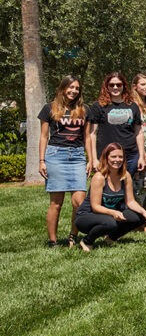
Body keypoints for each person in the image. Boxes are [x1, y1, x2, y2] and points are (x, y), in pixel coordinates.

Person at [38, 75, 88, 247]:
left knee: (79, 202)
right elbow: (44, 136)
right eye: (71, 87)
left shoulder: (83, 109)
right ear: (63, 88)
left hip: (78, 156)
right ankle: (52, 241)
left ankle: (73, 236)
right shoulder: (49, 108)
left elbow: (87, 137)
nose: (74, 91)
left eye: (77, 88)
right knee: (56, 203)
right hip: (56, 155)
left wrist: (89, 160)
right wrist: (41, 161)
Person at [74, 143, 146, 251]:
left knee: (139, 217)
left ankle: (111, 238)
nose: (117, 160)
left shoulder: (126, 176)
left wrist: (144, 212)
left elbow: (130, 202)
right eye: (113, 156)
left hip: (110, 216)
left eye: (120, 157)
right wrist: (113, 213)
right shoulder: (99, 177)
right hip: (87, 216)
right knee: (111, 223)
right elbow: (95, 206)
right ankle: (87, 241)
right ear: (106, 158)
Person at [86, 72, 144, 175]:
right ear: (106, 86)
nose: (115, 87)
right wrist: (94, 159)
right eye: (112, 85)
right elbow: (92, 134)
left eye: (119, 85)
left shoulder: (133, 106)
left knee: (127, 187)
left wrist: (141, 157)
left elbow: (139, 133)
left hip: (130, 156)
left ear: (124, 86)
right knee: (105, 187)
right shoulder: (98, 106)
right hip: (107, 156)